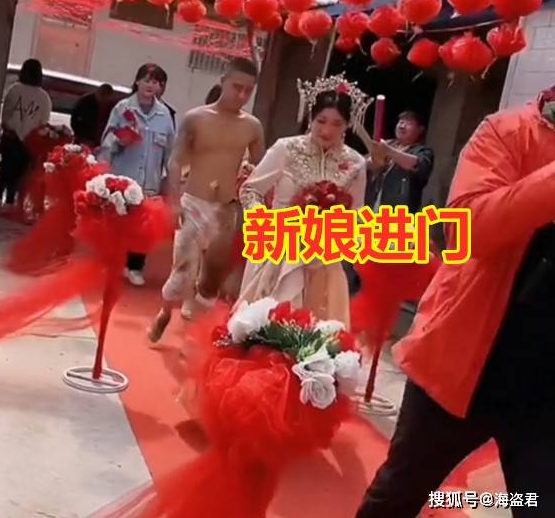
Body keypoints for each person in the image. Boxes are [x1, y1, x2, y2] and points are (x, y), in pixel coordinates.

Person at [355, 88, 555, 518]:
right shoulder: (506, 131)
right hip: (462, 366)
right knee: (399, 494)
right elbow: (470, 227)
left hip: (543, 393)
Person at [149, 57, 265, 342]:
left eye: (248, 90)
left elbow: (262, 168)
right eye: (236, 87)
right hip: (193, 201)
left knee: (212, 278)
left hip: (226, 207)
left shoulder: (252, 126)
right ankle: (165, 312)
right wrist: (174, 201)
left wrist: (250, 180)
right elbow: (175, 161)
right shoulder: (196, 118)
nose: (241, 95)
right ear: (223, 82)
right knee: (183, 269)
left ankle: (194, 335)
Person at [235, 80, 368, 324]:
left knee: (311, 331)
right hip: (277, 248)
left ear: (347, 125)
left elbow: (356, 214)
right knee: (263, 324)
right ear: (310, 118)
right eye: (321, 121)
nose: (327, 130)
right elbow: (250, 189)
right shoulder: (286, 149)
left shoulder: (355, 163)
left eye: (337, 124)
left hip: (323, 255)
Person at [97, 63, 175, 286]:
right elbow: (106, 143)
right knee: (118, 225)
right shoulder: (122, 109)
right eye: (146, 80)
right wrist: (120, 141)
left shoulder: (165, 115)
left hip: (148, 182)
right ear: (137, 81)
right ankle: (114, 262)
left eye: (155, 82)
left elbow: (171, 152)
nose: (150, 85)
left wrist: (171, 180)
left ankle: (135, 266)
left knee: (142, 228)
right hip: (123, 179)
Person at [0, 59, 51, 213]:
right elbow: (43, 121)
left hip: (10, 137)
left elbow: (6, 112)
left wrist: (7, 126)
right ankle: (10, 202)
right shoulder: (44, 97)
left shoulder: (14, 89)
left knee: (4, 169)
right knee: (19, 174)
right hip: (29, 141)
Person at [366, 110, 434, 213]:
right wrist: (374, 162)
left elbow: (416, 164)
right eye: (401, 122)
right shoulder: (389, 144)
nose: (402, 126)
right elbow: (366, 164)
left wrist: (389, 151)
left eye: (409, 123)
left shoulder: (423, 151)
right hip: (372, 204)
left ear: (420, 129)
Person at [71, 84, 115, 148]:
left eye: (106, 99)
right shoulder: (84, 102)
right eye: (102, 97)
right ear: (97, 93)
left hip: (100, 142)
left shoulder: (111, 107)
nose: (103, 100)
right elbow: (74, 120)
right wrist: (82, 137)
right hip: (83, 139)